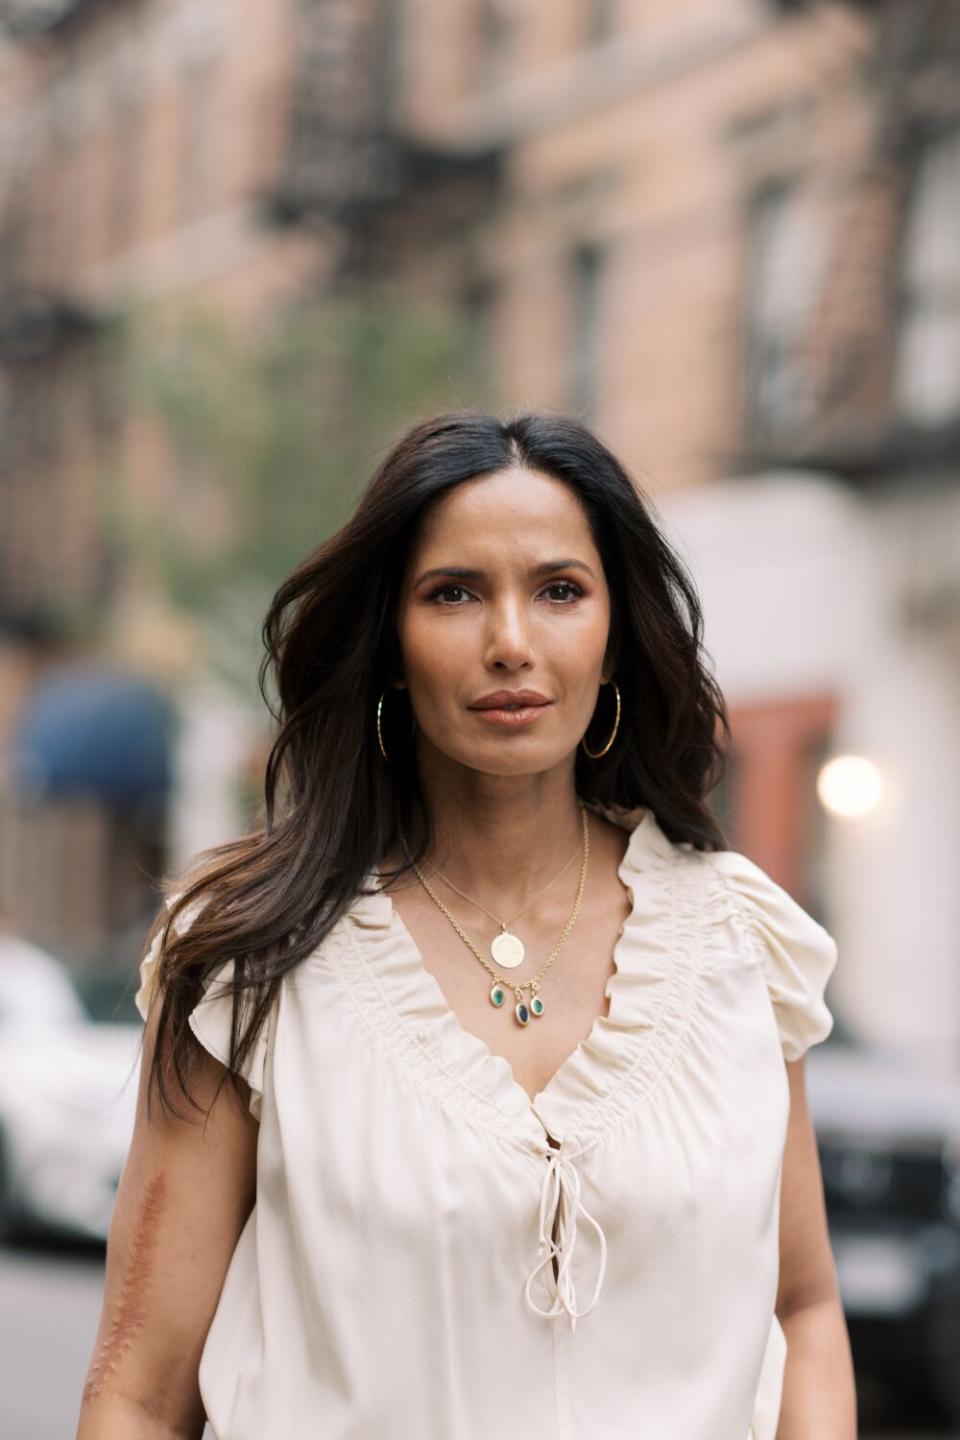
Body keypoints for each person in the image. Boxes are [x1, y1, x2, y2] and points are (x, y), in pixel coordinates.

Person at [76, 409, 857, 1440]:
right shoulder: (248, 961)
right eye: (453, 594)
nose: (511, 643)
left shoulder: (739, 944)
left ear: (616, 638)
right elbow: (138, 1393)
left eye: (560, 591)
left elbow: (802, 1310)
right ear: (389, 645)